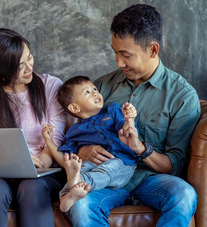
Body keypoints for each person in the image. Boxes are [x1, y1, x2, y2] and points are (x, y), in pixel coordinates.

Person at [68, 4, 201, 227]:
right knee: (80, 205)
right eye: (115, 52)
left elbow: (175, 164)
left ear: (153, 50)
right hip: (106, 178)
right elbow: (79, 133)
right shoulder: (102, 86)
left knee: (184, 194)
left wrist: (141, 148)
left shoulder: (182, 96)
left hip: (151, 179)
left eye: (125, 55)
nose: (118, 62)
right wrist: (83, 151)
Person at [0, 28, 67, 227]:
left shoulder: (51, 87)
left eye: (29, 58)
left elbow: (55, 137)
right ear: (1, 72)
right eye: (19, 66)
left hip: (41, 173)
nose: (29, 68)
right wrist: (10, 161)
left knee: (32, 186)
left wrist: (40, 165)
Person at [42, 75, 141, 213]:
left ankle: (78, 184)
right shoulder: (74, 132)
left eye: (94, 89)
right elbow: (66, 160)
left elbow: (126, 133)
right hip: (92, 166)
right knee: (80, 169)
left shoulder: (112, 110)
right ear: (75, 108)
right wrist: (49, 141)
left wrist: (129, 119)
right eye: (87, 92)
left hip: (122, 162)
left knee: (107, 170)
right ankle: (66, 197)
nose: (95, 92)